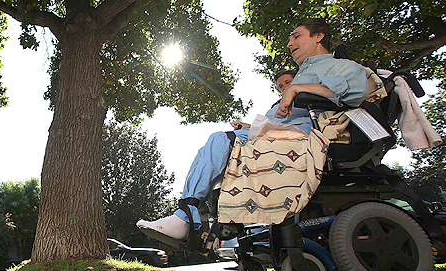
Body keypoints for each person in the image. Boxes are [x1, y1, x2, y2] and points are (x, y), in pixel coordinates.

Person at [137, 18, 369, 241]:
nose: (290, 44)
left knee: (221, 143)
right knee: (217, 142)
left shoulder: (341, 66)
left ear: (319, 36)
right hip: (277, 130)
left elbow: (355, 92)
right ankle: (191, 217)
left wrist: (295, 90)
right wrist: (252, 125)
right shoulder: (302, 74)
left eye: (297, 36)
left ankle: (188, 219)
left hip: (304, 133)